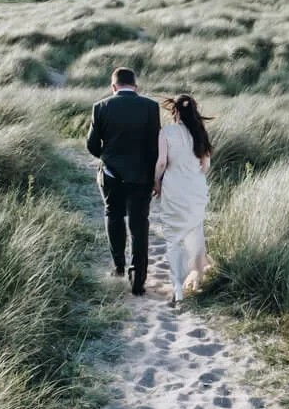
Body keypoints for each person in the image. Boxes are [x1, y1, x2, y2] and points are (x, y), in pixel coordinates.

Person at [85, 66, 161, 295]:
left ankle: (118, 266)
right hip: (141, 176)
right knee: (139, 224)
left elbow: (91, 145)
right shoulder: (150, 106)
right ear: (136, 87)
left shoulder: (100, 107)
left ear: (113, 86)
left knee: (113, 215)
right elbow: (155, 145)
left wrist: (108, 159)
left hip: (111, 175)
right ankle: (138, 279)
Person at [152, 94, 214, 307]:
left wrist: (157, 183)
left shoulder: (166, 132)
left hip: (174, 187)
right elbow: (205, 167)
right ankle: (196, 277)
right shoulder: (200, 133)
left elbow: (161, 163)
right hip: (196, 187)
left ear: (175, 112)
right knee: (194, 230)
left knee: (174, 237)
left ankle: (177, 287)